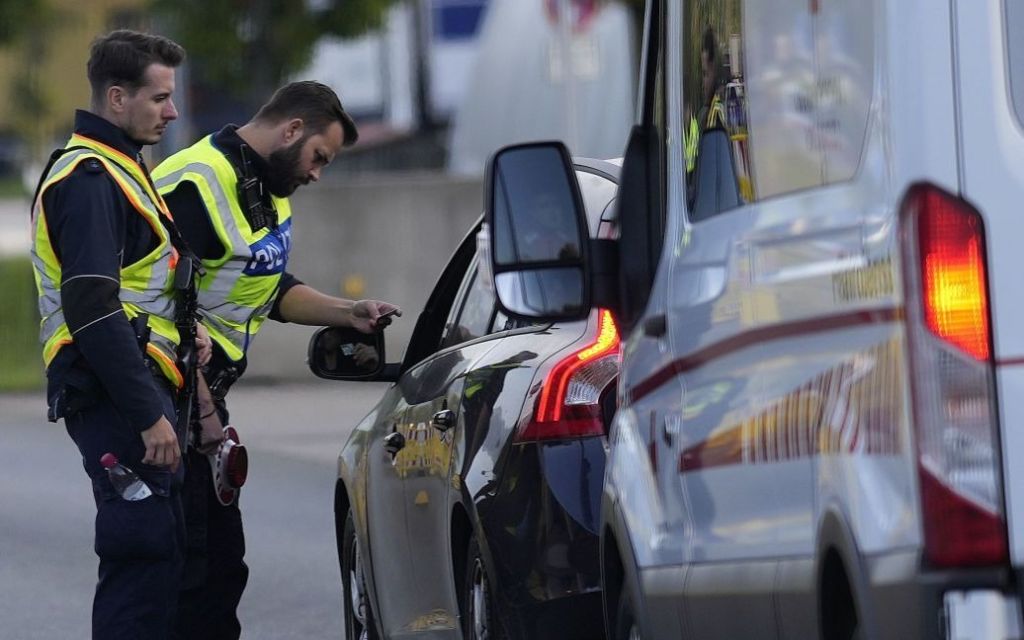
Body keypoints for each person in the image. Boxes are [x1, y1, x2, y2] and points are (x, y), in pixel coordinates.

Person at [152, 80, 401, 639]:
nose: (317, 173)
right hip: (169, 396)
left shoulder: (268, 186)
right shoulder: (198, 183)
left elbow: (265, 284)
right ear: (292, 131)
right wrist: (205, 407)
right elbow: (156, 301)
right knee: (188, 572)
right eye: (319, 157)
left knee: (221, 570)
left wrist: (348, 312)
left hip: (202, 402)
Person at [28, 29, 210, 638]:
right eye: (159, 98)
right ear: (115, 98)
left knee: (162, 559)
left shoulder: (121, 167)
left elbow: (139, 289)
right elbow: (93, 308)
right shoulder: (88, 179)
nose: (173, 111)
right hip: (116, 396)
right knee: (141, 558)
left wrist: (186, 339)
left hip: (140, 386)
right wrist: (145, 415)